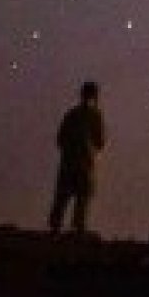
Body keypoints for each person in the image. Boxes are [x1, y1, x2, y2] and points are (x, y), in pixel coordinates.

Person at [48, 80, 106, 236]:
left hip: (69, 162)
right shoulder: (95, 116)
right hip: (85, 163)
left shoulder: (72, 114)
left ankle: (56, 226)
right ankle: (77, 227)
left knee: (64, 195)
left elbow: (60, 139)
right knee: (82, 196)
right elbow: (101, 142)